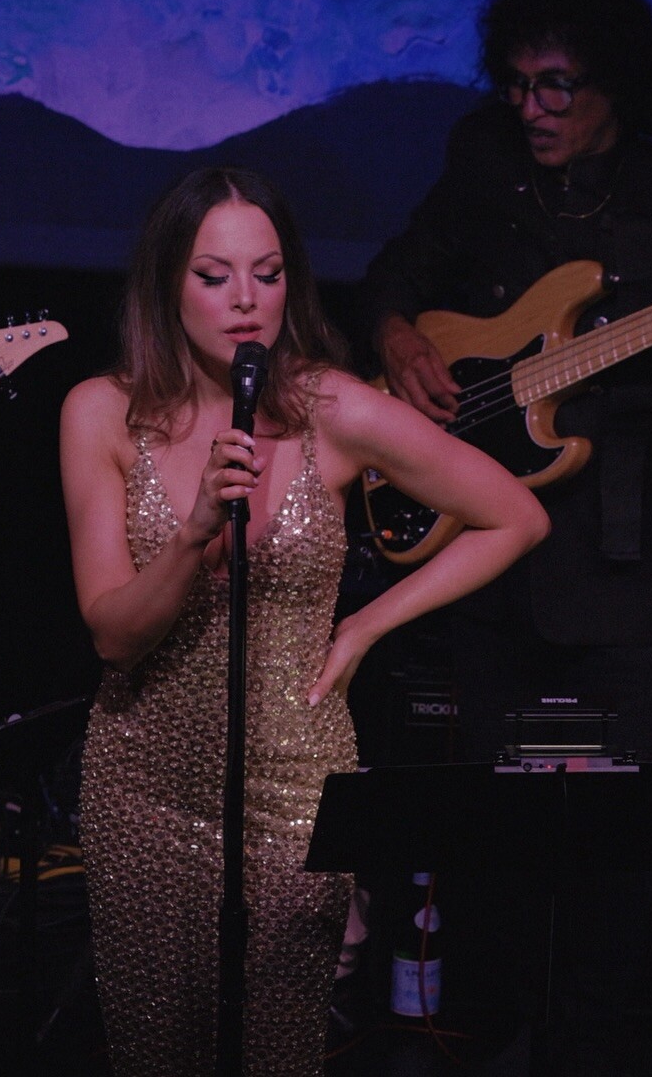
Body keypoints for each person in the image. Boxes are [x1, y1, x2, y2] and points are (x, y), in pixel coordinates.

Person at [357, 0, 652, 1070]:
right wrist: (400, 336)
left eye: (556, 85)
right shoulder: (484, 161)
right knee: (494, 835)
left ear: (617, 87)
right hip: (487, 566)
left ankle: (588, 1048)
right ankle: (496, 1033)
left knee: (608, 847)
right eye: (518, 83)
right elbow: (397, 271)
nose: (532, 107)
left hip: (624, 578)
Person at [60, 165, 548, 1075]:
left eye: (269, 273)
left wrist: (365, 627)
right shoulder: (102, 414)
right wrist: (193, 532)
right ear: (167, 284)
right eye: (215, 276)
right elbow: (113, 635)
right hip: (143, 784)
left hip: (293, 790)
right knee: (156, 1053)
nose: (247, 300)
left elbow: (515, 516)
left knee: (278, 1051)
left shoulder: (335, 408)